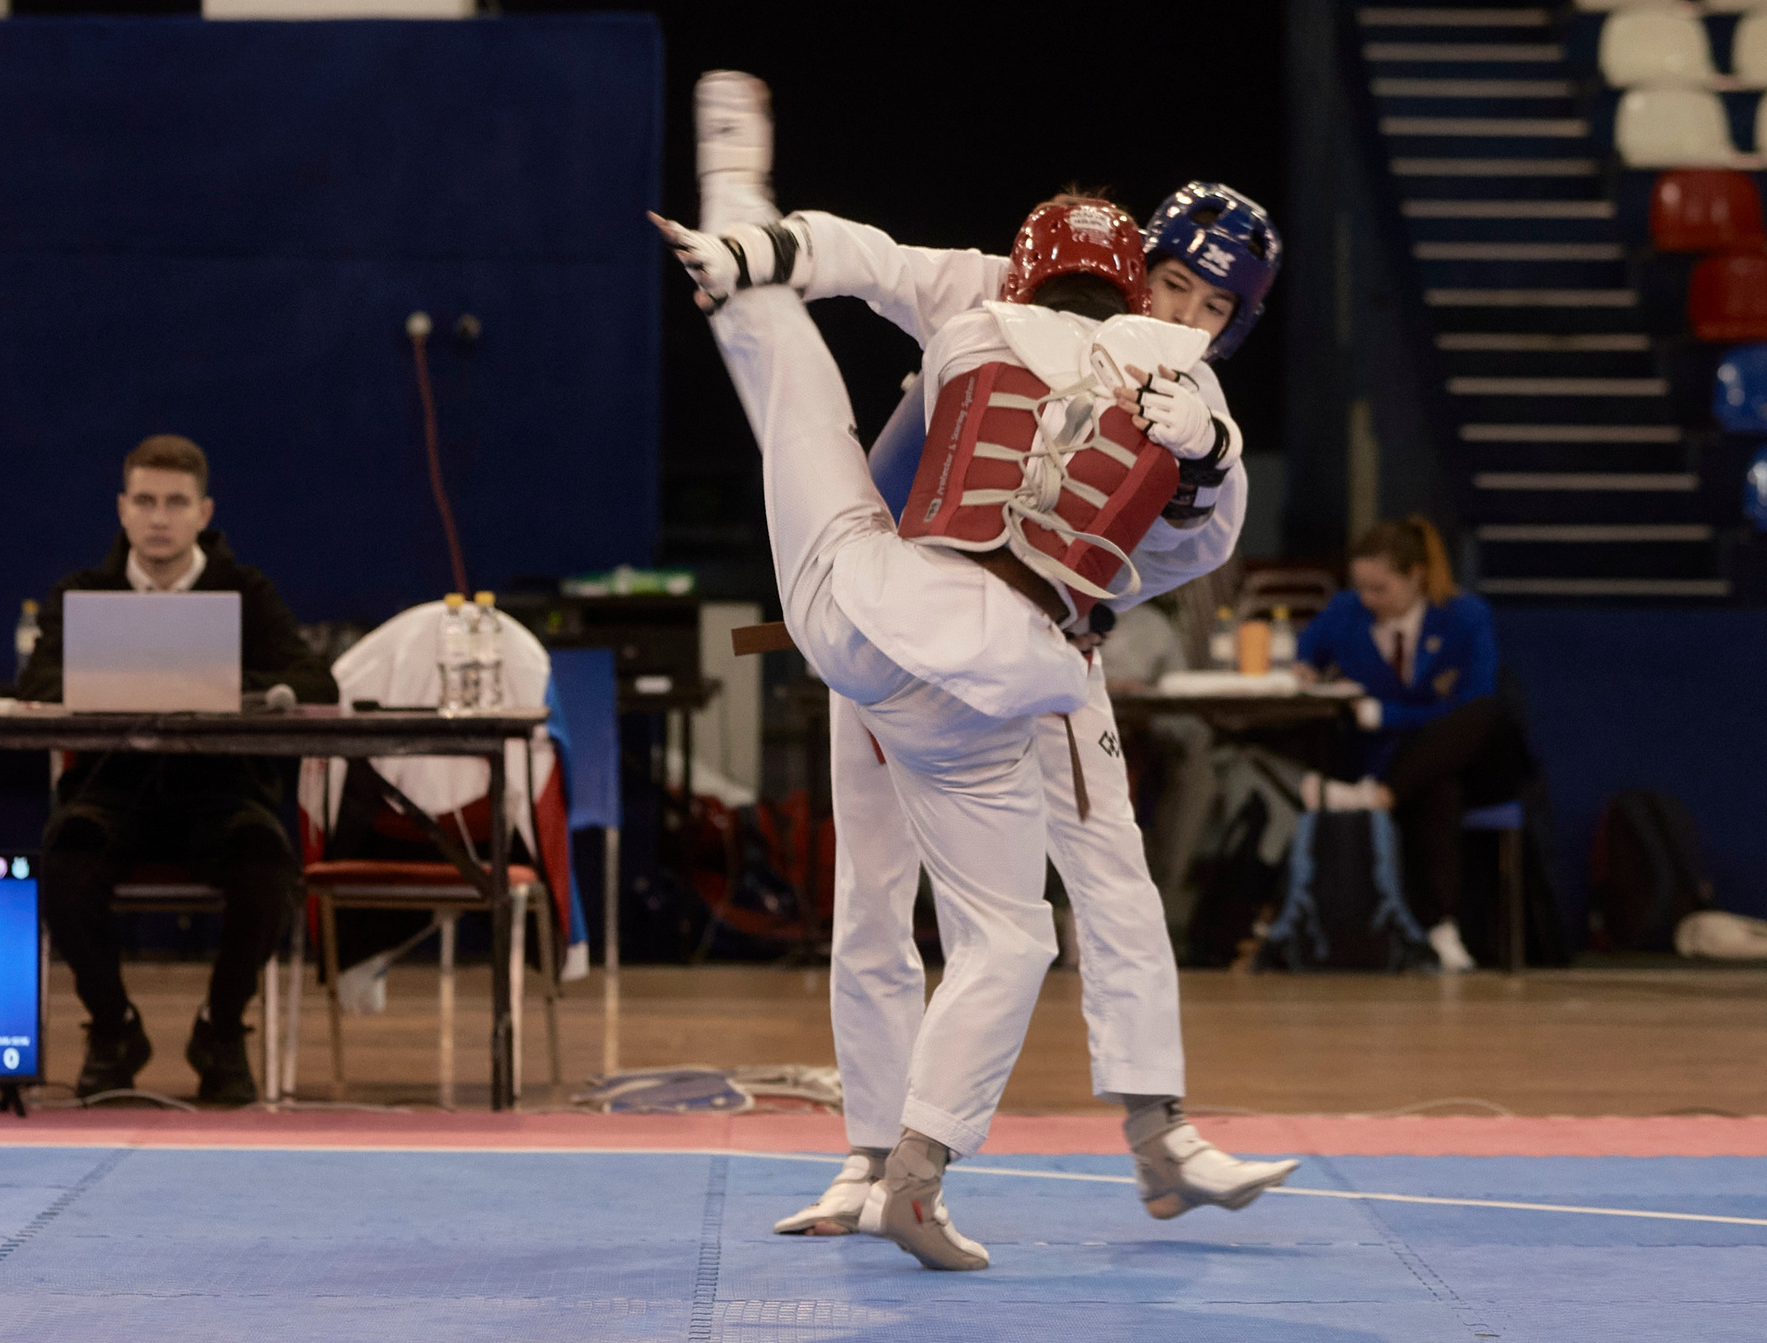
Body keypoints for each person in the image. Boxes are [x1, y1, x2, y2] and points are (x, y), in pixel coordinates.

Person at [652, 72, 1262, 1270]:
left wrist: (750, 247)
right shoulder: (1149, 361)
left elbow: (850, 261)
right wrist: (1202, 450)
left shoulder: (982, 320)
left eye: (1210, 302)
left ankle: (729, 176)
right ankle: (892, 1162)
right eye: (1174, 287)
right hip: (1000, 665)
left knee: (793, 393)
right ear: (1140, 278)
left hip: (869, 600)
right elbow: (1207, 516)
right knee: (978, 930)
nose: (1187, 313)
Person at [18, 433, 333, 1104]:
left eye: (176, 502)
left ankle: (221, 1030)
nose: (159, 517)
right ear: (123, 509)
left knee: (266, 865)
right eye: (146, 500)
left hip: (220, 797)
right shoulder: (82, 592)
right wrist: (111, 681)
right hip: (109, 796)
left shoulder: (248, 592)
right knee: (63, 864)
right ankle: (112, 1028)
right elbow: (38, 680)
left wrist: (226, 685)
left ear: (203, 511)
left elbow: (314, 678)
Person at [1293, 515, 1530, 974]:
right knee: (1436, 792)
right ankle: (1439, 927)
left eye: (1379, 589)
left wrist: (1387, 714)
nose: (1368, 599)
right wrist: (1303, 667)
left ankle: (1379, 797)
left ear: (1415, 577)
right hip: (1398, 766)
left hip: (1473, 759)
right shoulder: (1347, 610)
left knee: (1482, 716)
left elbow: (1472, 703)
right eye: (1361, 587)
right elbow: (1305, 652)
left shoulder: (1465, 616)